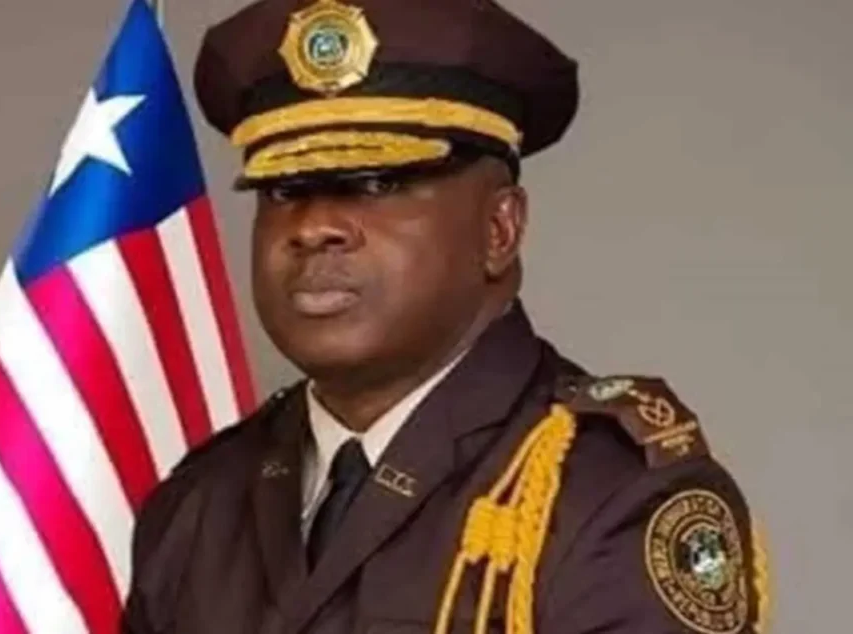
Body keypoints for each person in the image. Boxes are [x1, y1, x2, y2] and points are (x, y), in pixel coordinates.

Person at [121, 0, 769, 632]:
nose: (313, 226)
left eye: (377, 183)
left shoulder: (608, 497)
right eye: (285, 190)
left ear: (498, 229)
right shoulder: (201, 500)